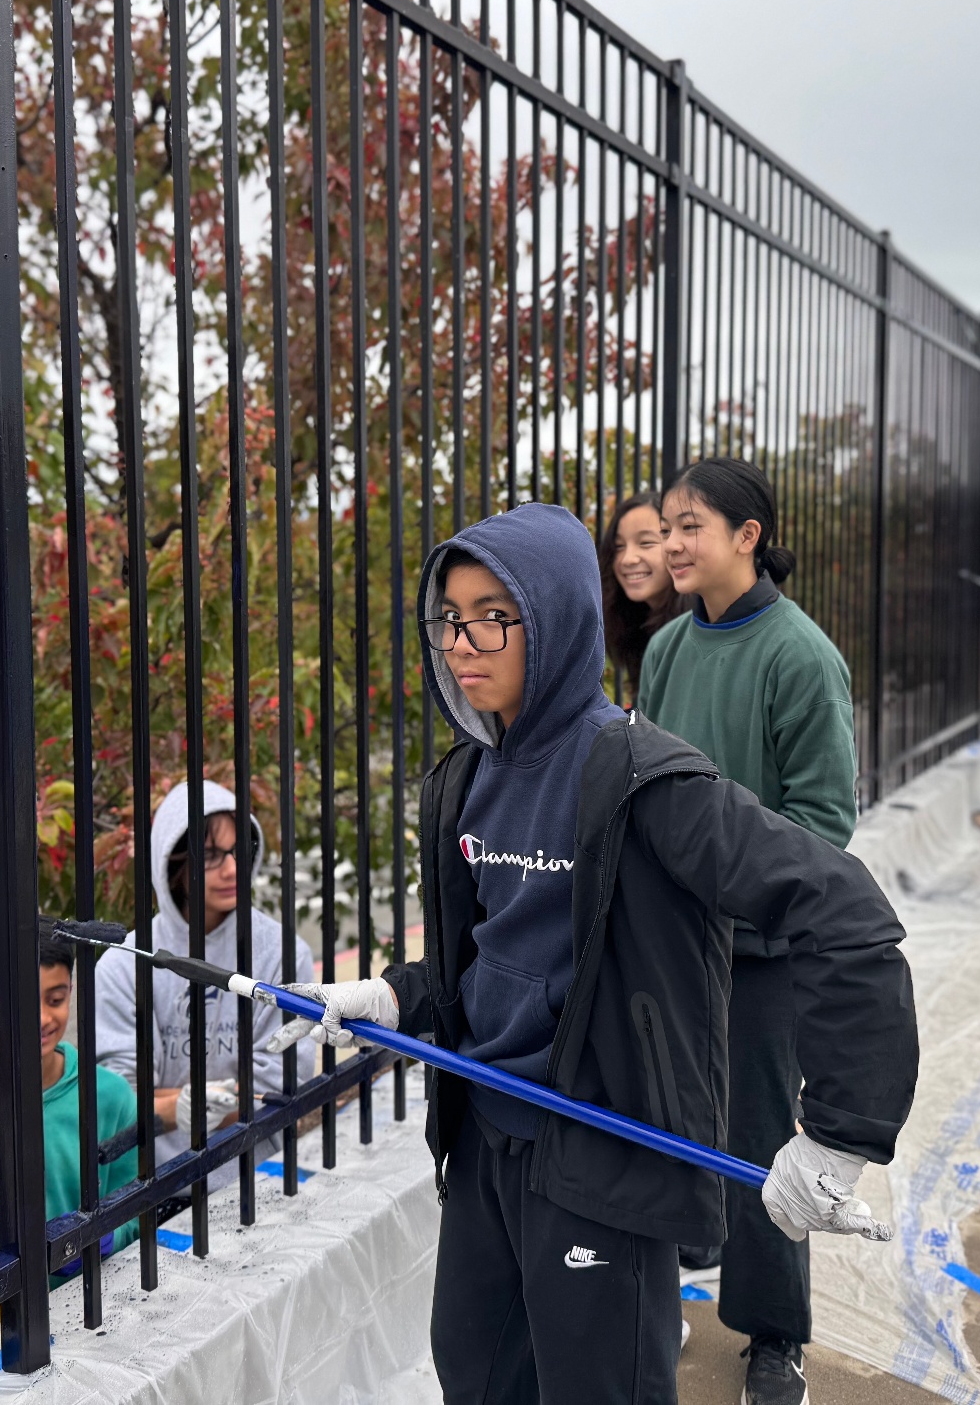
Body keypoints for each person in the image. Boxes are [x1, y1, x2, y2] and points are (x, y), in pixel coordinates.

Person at [267, 502, 918, 1405]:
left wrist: (841, 1136)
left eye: (494, 616)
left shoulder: (647, 782)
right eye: (450, 618)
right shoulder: (465, 778)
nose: (463, 644)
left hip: (601, 1154)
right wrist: (396, 997)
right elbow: (491, 955)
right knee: (476, 1377)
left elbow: (846, 913)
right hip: (484, 1141)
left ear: (558, 619)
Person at [631, 458, 858, 1401]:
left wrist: (731, 890)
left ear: (747, 537)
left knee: (762, 1141)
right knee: (657, 1119)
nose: (672, 545)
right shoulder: (667, 650)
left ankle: (772, 1335)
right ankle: (657, 1296)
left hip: (761, 956)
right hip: (669, 946)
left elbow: (825, 820)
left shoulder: (801, 656)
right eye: (666, 528)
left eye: (690, 526)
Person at [93, 779, 316, 1193]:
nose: (231, 869)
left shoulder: (282, 953)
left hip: (257, 1181)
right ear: (172, 863)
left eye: (237, 851)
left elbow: (280, 1087)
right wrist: (218, 1099)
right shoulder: (123, 966)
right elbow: (118, 1101)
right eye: (210, 856)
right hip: (152, 1192)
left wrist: (171, 1102)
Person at [0, 921, 138, 1266]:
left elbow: (135, 1207)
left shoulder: (111, 1095)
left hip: (92, 1291)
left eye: (55, 1000)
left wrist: (107, 1237)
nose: (41, 1018)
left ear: (70, 993)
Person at [598, 490, 682, 701]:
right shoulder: (635, 628)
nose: (627, 559)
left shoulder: (694, 632)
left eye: (645, 543)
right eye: (619, 546)